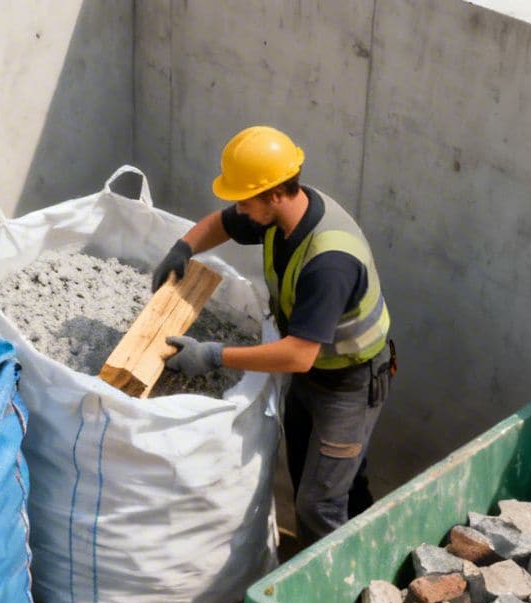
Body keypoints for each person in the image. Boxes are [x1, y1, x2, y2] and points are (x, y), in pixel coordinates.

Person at [157, 125, 395, 549]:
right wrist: (184, 248)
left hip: (350, 385)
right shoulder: (280, 213)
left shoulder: (329, 261)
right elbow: (225, 224)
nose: (238, 208)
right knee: (318, 478)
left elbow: (299, 354)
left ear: (275, 193)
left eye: (245, 199)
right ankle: (364, 561)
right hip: (314, 377)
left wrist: (213, 355)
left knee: (318, 505)